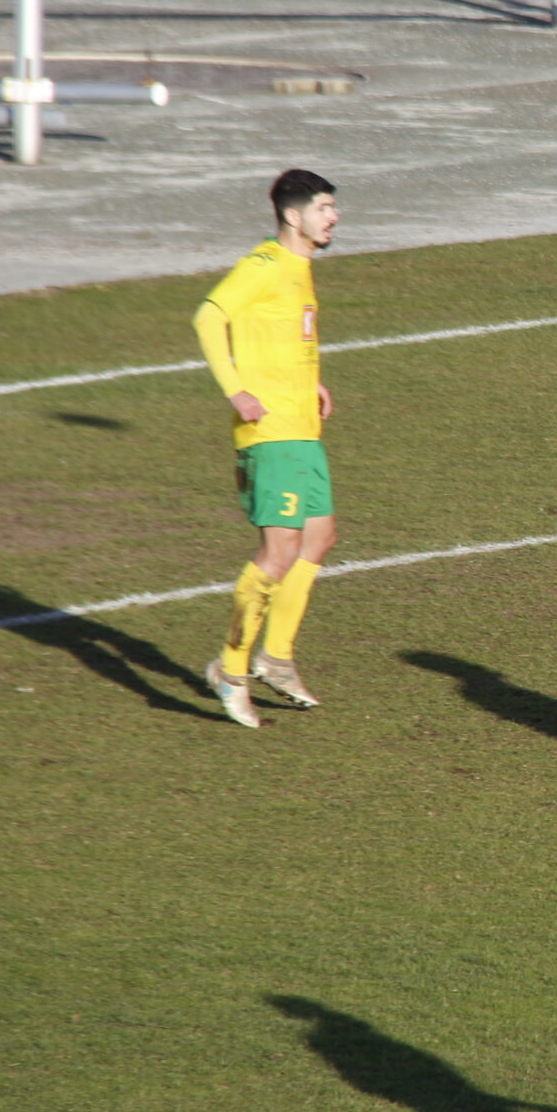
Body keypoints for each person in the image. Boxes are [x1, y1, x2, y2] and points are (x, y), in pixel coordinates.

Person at [193, 169, 339, 727]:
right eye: (324, 207)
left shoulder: (299, 268)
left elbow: (289, 338)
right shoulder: (263, 266)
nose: (333, 217)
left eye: (332, 207)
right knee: (278, 554)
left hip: (302, 427)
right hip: (271, 435)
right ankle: (230, 672)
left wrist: (313, 382)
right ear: (293, 216)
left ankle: (274, 658)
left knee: (319, 538)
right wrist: (237, 391)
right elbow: (209, 317)